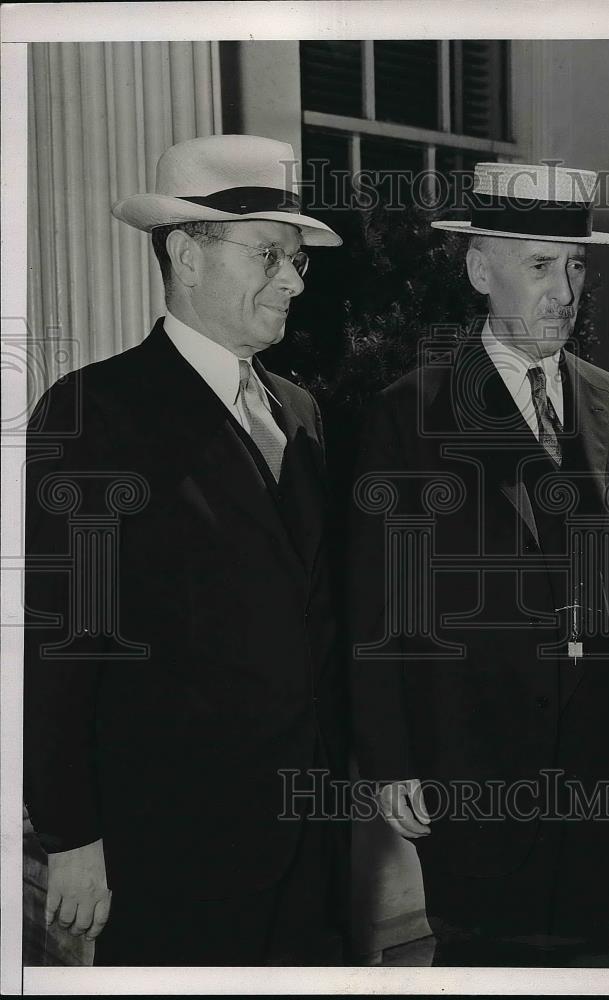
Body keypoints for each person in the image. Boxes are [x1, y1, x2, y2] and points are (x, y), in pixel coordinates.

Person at [349, 162, 609, 967]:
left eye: (576, 267)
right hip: (476, 751)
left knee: (602, 957)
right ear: (480, 269)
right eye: (539, 265)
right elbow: (380, 603)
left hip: (606, 748)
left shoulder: (608, 397)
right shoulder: (414, 409)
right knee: (487, 957)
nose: (564, 291)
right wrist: (392, 760)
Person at [24, 134, 348, 966]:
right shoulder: (95, 409)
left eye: (299, 260)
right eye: (270, 254)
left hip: (309, 835)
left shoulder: (302, 412)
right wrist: (71, 835)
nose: (294, 280)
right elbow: (60, 636)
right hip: (168, 842)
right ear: (185, 253)